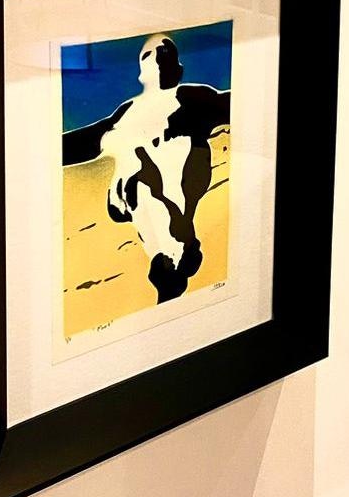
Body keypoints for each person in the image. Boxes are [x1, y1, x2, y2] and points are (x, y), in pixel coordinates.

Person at [63, 34, 230, 302]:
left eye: (166, 54)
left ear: (178, 69)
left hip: (170, 193)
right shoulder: (125, 116)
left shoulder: (193, 99)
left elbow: (240, 103)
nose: (159, 57)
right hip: (145, 196)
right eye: (151, 55)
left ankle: (174, 254)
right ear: (141, 73)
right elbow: (74, 145)